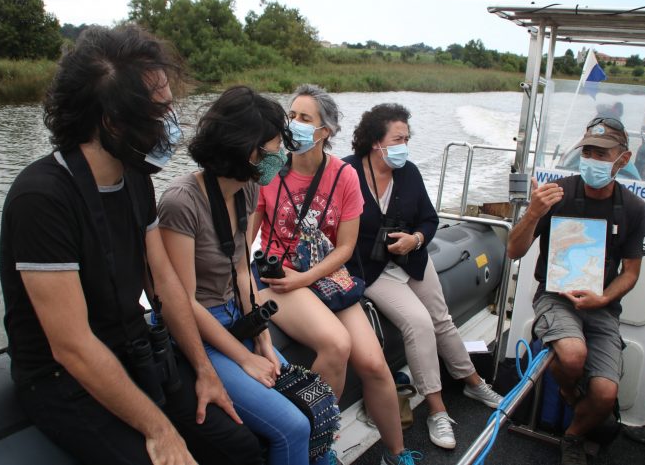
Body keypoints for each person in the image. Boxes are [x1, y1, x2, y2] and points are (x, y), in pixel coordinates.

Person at [0, 25, 261, 465]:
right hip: (64, 379)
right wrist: (160, 431)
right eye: (159, 112)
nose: (171, 122)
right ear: (112, 121)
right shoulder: (42, 198)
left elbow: (165, 283)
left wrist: (204, 371)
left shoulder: (135, 178)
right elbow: (73, 346)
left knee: (240, 447)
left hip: (132, 347)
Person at [158, 86, 329, 465]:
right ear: (244, 150)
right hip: (201, 331)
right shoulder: (181, 203)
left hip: (237, 318)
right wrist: (244, 357)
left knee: (313, 402)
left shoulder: (247, 190)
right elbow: (182, 302)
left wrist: (262, 339)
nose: (279, 159)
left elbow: (240, 269)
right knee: (293, 427)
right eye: (271, 151)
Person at [252, 84, 421, 465]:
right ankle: (317, 446)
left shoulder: (343, 175)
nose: (294, 124)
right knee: (337, 345)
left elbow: (345, 248)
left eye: (304, 118)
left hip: (325, 277)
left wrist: (308, 277)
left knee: (375, 364)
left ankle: (396, 454)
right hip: (282, 279)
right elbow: (247, 233)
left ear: (325, 131)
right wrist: (256, 285)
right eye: (291, 116)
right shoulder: (268, 168)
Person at [342, 103, 503, 450]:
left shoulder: (409, 173)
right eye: (398, 138)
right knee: (419, 323)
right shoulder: (346, 173)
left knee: (441, 318)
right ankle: (437, 410)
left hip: (412, 259)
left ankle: (472, 381)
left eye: (407, 138)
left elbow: (429, 220)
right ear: (375, 141)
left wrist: (414, 240)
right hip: (373, 270)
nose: (404, 145)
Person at [507, 116, 645, 465]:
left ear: (623, 159)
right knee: (572, 355)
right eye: (587, 151)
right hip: (555, 297)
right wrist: (532, 213)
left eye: (602, 154)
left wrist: (604, 298)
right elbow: (514, 250)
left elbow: (631, 272)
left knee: (605, 393)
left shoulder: (633, 208)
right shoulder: (556, 194)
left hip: (601, 306)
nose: (593, 160)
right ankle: (570, 393)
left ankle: (573, 437)